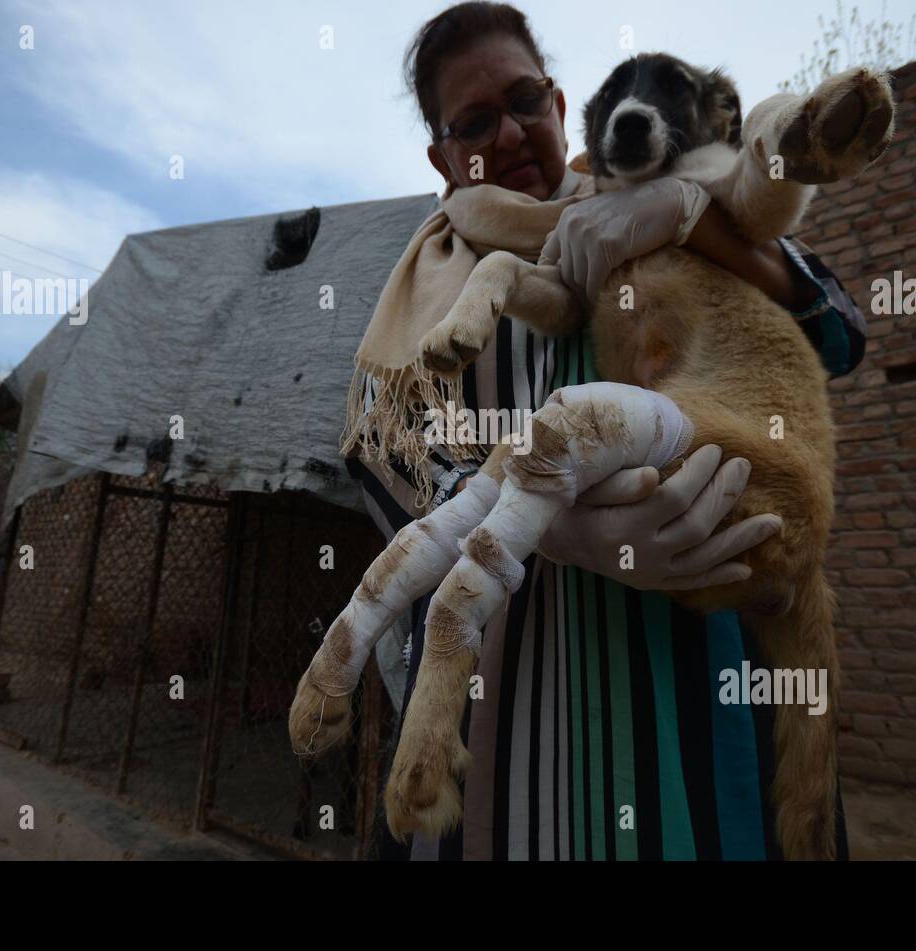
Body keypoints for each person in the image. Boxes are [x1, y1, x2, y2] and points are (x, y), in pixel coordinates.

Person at [346, 1, 866, 860]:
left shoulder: (658, 193)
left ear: (559, 108)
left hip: (692, 693)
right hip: (504, 712)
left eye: (523, 102)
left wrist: (685, 216)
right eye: (475, 122)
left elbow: (839, 328)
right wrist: (557, 526)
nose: (508, 133)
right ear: (442, 157)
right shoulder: (416, 289)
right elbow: (388, 470)